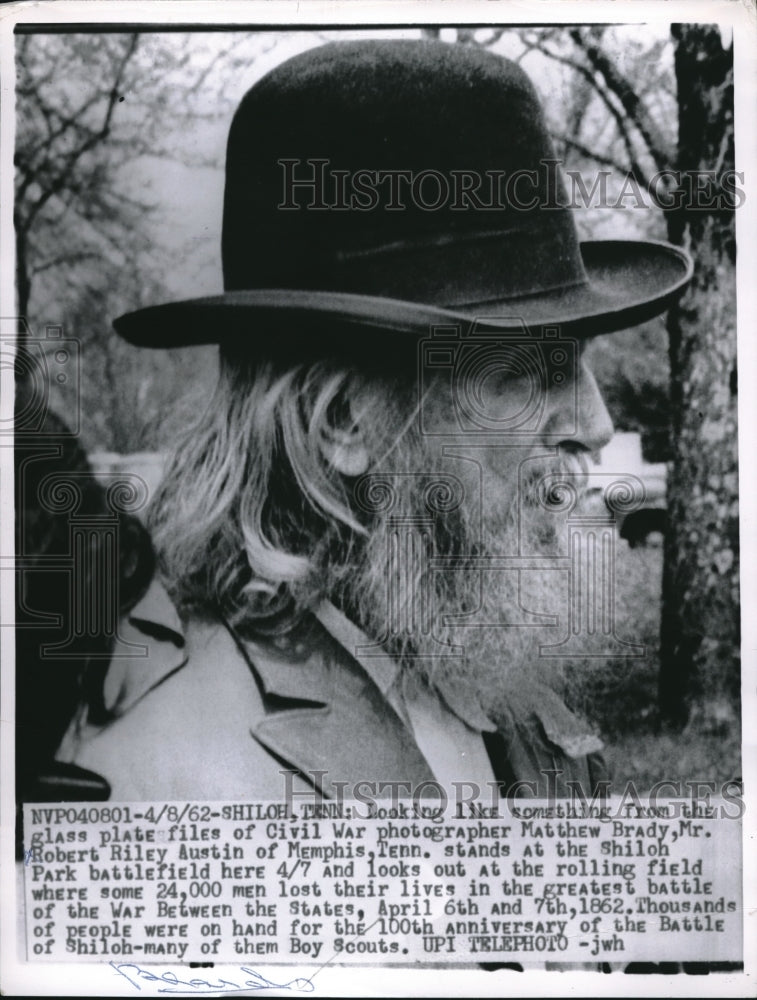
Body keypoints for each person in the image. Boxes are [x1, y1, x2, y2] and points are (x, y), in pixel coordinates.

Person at [55, 39, 692, 803]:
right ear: (344, 422)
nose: (594, 421)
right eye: (527, 370)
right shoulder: (169, 776)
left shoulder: (491, 690)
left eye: (580, 360)